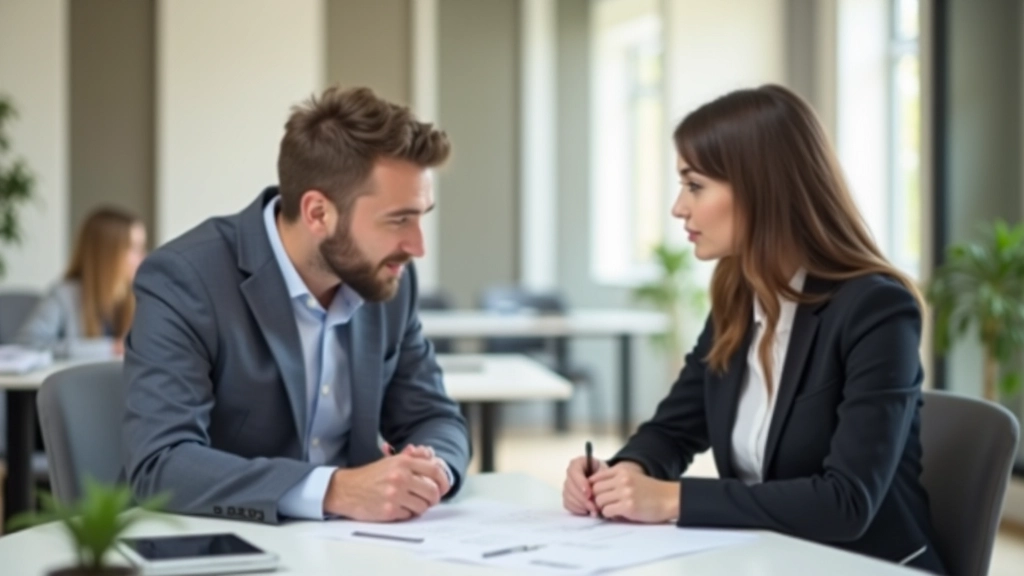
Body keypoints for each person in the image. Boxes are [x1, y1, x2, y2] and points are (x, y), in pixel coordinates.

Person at [562, 85, 946, 574]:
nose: (679, 208)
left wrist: (674, 499)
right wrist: (623, 473)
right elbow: (673, 430)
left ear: (762, 189)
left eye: (694, 186)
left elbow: (846, 502)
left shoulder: (875, 310)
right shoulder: (737, 299)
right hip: (768, 559)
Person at [122, 86, 470, 524]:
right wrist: (334, 490)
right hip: (229, 544)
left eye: (422, 216)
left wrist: (431, 471)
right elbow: (162, 463)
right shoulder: (185, 279)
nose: (417, 247)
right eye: (399, 219)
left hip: (356, 548)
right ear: (319, 213)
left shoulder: (389, 278)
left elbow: (436, 416)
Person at [17, 207, 146, 358]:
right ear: (107, 254)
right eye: (134, 248)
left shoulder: (139, 297)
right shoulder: (63, 295)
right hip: (80, 381)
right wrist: (110, 348)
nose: (143, 257)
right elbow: (27, 345)